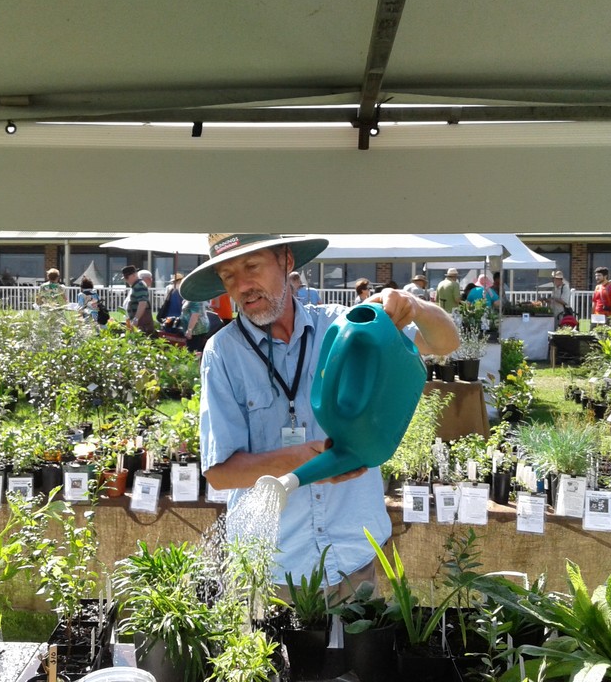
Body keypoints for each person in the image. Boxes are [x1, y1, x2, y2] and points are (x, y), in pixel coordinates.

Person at [180, 233, 459, 591]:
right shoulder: (223, 353)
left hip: (353, 554)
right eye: (228, 276)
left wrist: (414, 306)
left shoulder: (345, 327)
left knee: (360, 648)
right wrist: (297, 461)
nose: (243, 286)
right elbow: (219, 474)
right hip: (275, 567)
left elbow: (445, 343)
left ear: (287, 261)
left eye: (252, 266)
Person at [123, 265, 156, 335]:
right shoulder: (136, 285)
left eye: (126, 277)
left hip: (142, 321)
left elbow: (142, 303)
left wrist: (136, 319)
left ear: (133, 275)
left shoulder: (139, 285)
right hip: (138, 319)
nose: (125, 280)